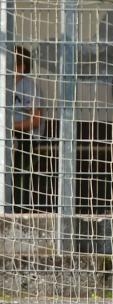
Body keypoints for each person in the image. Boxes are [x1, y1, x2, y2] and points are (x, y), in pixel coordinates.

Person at [11, 45, 46, 212]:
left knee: (20, 176)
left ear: (21, 67)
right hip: (7, 134)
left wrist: (11, 127)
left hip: (27, 136)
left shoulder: (29, 86)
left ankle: (19, 210)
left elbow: (36, 121)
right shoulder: (5, 84)